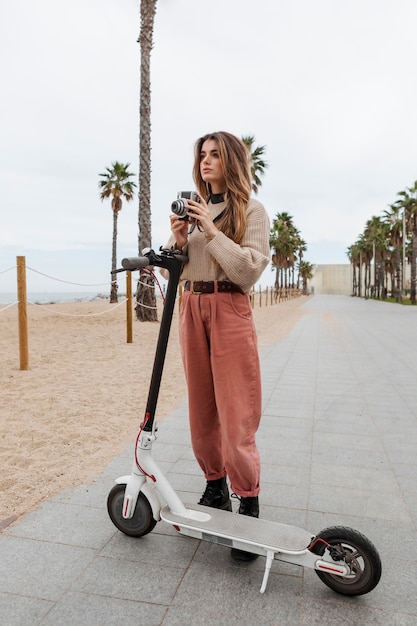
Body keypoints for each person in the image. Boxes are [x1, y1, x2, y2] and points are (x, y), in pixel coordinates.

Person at [166, 131, 270, 560]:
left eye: (214, 155)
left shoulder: (252, 210)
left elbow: (248, 271)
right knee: (202, 408)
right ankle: (214, 488)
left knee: (236, 411)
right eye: (201, 155)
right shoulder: (196, 211)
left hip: (230, 307)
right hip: (192, 307)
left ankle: (247, 499)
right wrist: (177, 242)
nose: (205, 161)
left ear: (231, 160)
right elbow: (181, 269)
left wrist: (210, 231)